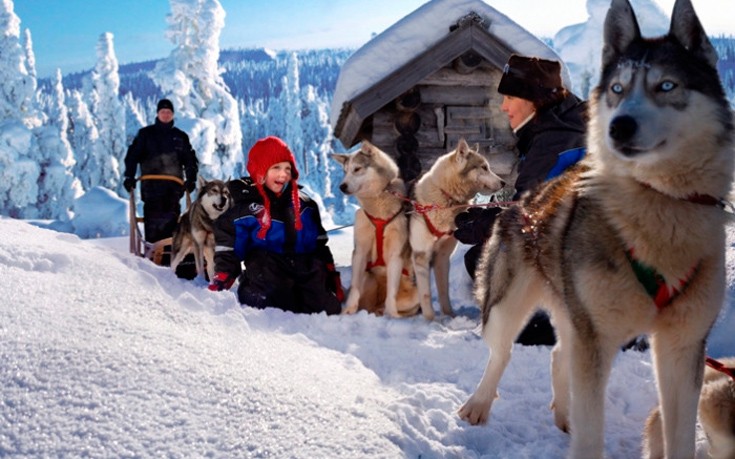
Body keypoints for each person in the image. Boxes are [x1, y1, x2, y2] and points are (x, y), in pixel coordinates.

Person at [454, 54, 587, 345]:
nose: (504, 106)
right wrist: (490, 216)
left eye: (512, 97)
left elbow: (531, 214)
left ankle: (544, 329)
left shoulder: (556, 140)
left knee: (485, 259)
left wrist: (487, 224)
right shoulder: (563, 126)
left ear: (535, 100)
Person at [208, 136, 343, 315]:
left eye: (287, 168)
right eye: (276, 167)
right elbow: (229, 248)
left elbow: (319, 246)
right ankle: (262, 303)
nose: (283, 174)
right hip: (266, 271)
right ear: (260, 170)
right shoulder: (244, 207)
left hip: (302, 268)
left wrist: (332, 276)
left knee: (328, 307)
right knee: (271, 296)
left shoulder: (305, 205)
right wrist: (223, 277)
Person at [123, 98, 199, 246]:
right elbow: (132, 156)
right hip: (151, 184)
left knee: (172, 217)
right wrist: (129, 176)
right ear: (157, 113)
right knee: (153, 217)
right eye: (163, 112)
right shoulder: (145, 134)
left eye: (168, 112)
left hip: (173, 185)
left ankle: (171, 250)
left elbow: (190, 159)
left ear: (173, 114)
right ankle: (153, 249)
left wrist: (191, 179)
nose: (165, 115)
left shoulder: (180, 136)